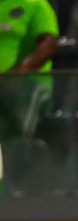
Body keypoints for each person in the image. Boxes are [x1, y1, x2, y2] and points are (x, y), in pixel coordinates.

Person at [0, 0, 58, 142]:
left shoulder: (36, 4)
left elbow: (48, 44)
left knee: (13, 133)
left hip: (28, 84)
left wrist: (22, 70)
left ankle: (16, 146)